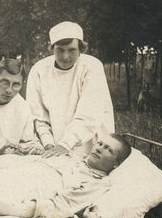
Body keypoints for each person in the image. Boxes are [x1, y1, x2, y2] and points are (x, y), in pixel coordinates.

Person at [0, 133, 131, 218]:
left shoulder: (96, 184)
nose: (99, 148)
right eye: (100, 143)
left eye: (109, 150)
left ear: (116, 164)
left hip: (11, 195)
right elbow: (20, 161)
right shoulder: (70, 157)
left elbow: (56, 208)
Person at [26, 21, 115, 159]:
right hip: (54, 146)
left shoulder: (91, 66)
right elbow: (38, 115)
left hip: (91, 144)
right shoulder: (39, 70)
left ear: (81, 49)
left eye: (72, 50)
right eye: (60, 50)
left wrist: (65, 144)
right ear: (52, 48)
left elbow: (89, 114)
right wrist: (48, 143)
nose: (65, 57)